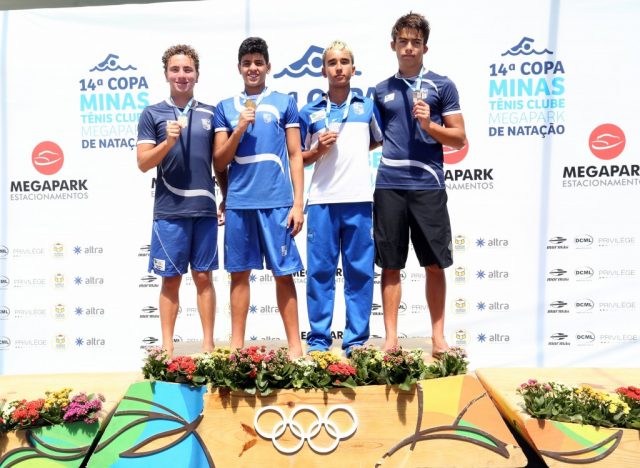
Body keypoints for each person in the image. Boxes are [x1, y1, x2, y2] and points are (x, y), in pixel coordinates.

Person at [373, 13, 467, 356]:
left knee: (434, 263)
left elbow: (459, 138)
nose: (409, 48)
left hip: (428, 185)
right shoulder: (381, 90)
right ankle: (391, 339)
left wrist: (430, 126)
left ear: (425, 47)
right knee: (390, 265)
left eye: (415, 42)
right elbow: (372, 138)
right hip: (389, 185)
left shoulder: (443, 85)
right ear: (393, 46)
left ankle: (438, 338)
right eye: (403, 41)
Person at [213, 37, 304, 358]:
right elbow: (219, 162)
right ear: (239, 68)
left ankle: (295, 346)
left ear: (268, 66)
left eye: (258, 62)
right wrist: (238, 129)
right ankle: (237, 348)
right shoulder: (225, 107)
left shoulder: (284, 102)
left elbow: (296, 154)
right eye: (247, 63)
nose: (253, 68)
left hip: (277, 203)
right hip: (240, 203)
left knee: (284, 274)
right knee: (239, 275)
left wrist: (297, 203)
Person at [137, 44, 223, 355]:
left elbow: (220, 162)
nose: (182, 75)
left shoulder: (211, 113)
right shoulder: (152, 114)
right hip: (169, 212)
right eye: (175, 69)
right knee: (170, 280)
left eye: (188, 69)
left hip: (203, 210)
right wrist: (167, 142)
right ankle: (167, 349)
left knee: (203, 277)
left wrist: (226, 198)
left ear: (197, 75)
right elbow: (143, 163)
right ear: (166, 74)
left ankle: (209, 347)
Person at [299, 40, 382, 356]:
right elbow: (299, 158)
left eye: (344, 62)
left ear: (353, 69)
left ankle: (356, 341)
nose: (338, 68)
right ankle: (319, 340)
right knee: (319, 273)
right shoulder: (310, 111)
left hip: (359, 199)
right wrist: (318, 150)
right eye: (332, 63)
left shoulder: (367, 106)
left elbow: (375, 141)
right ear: (323, 70)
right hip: (322, 200)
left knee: (359, 273)